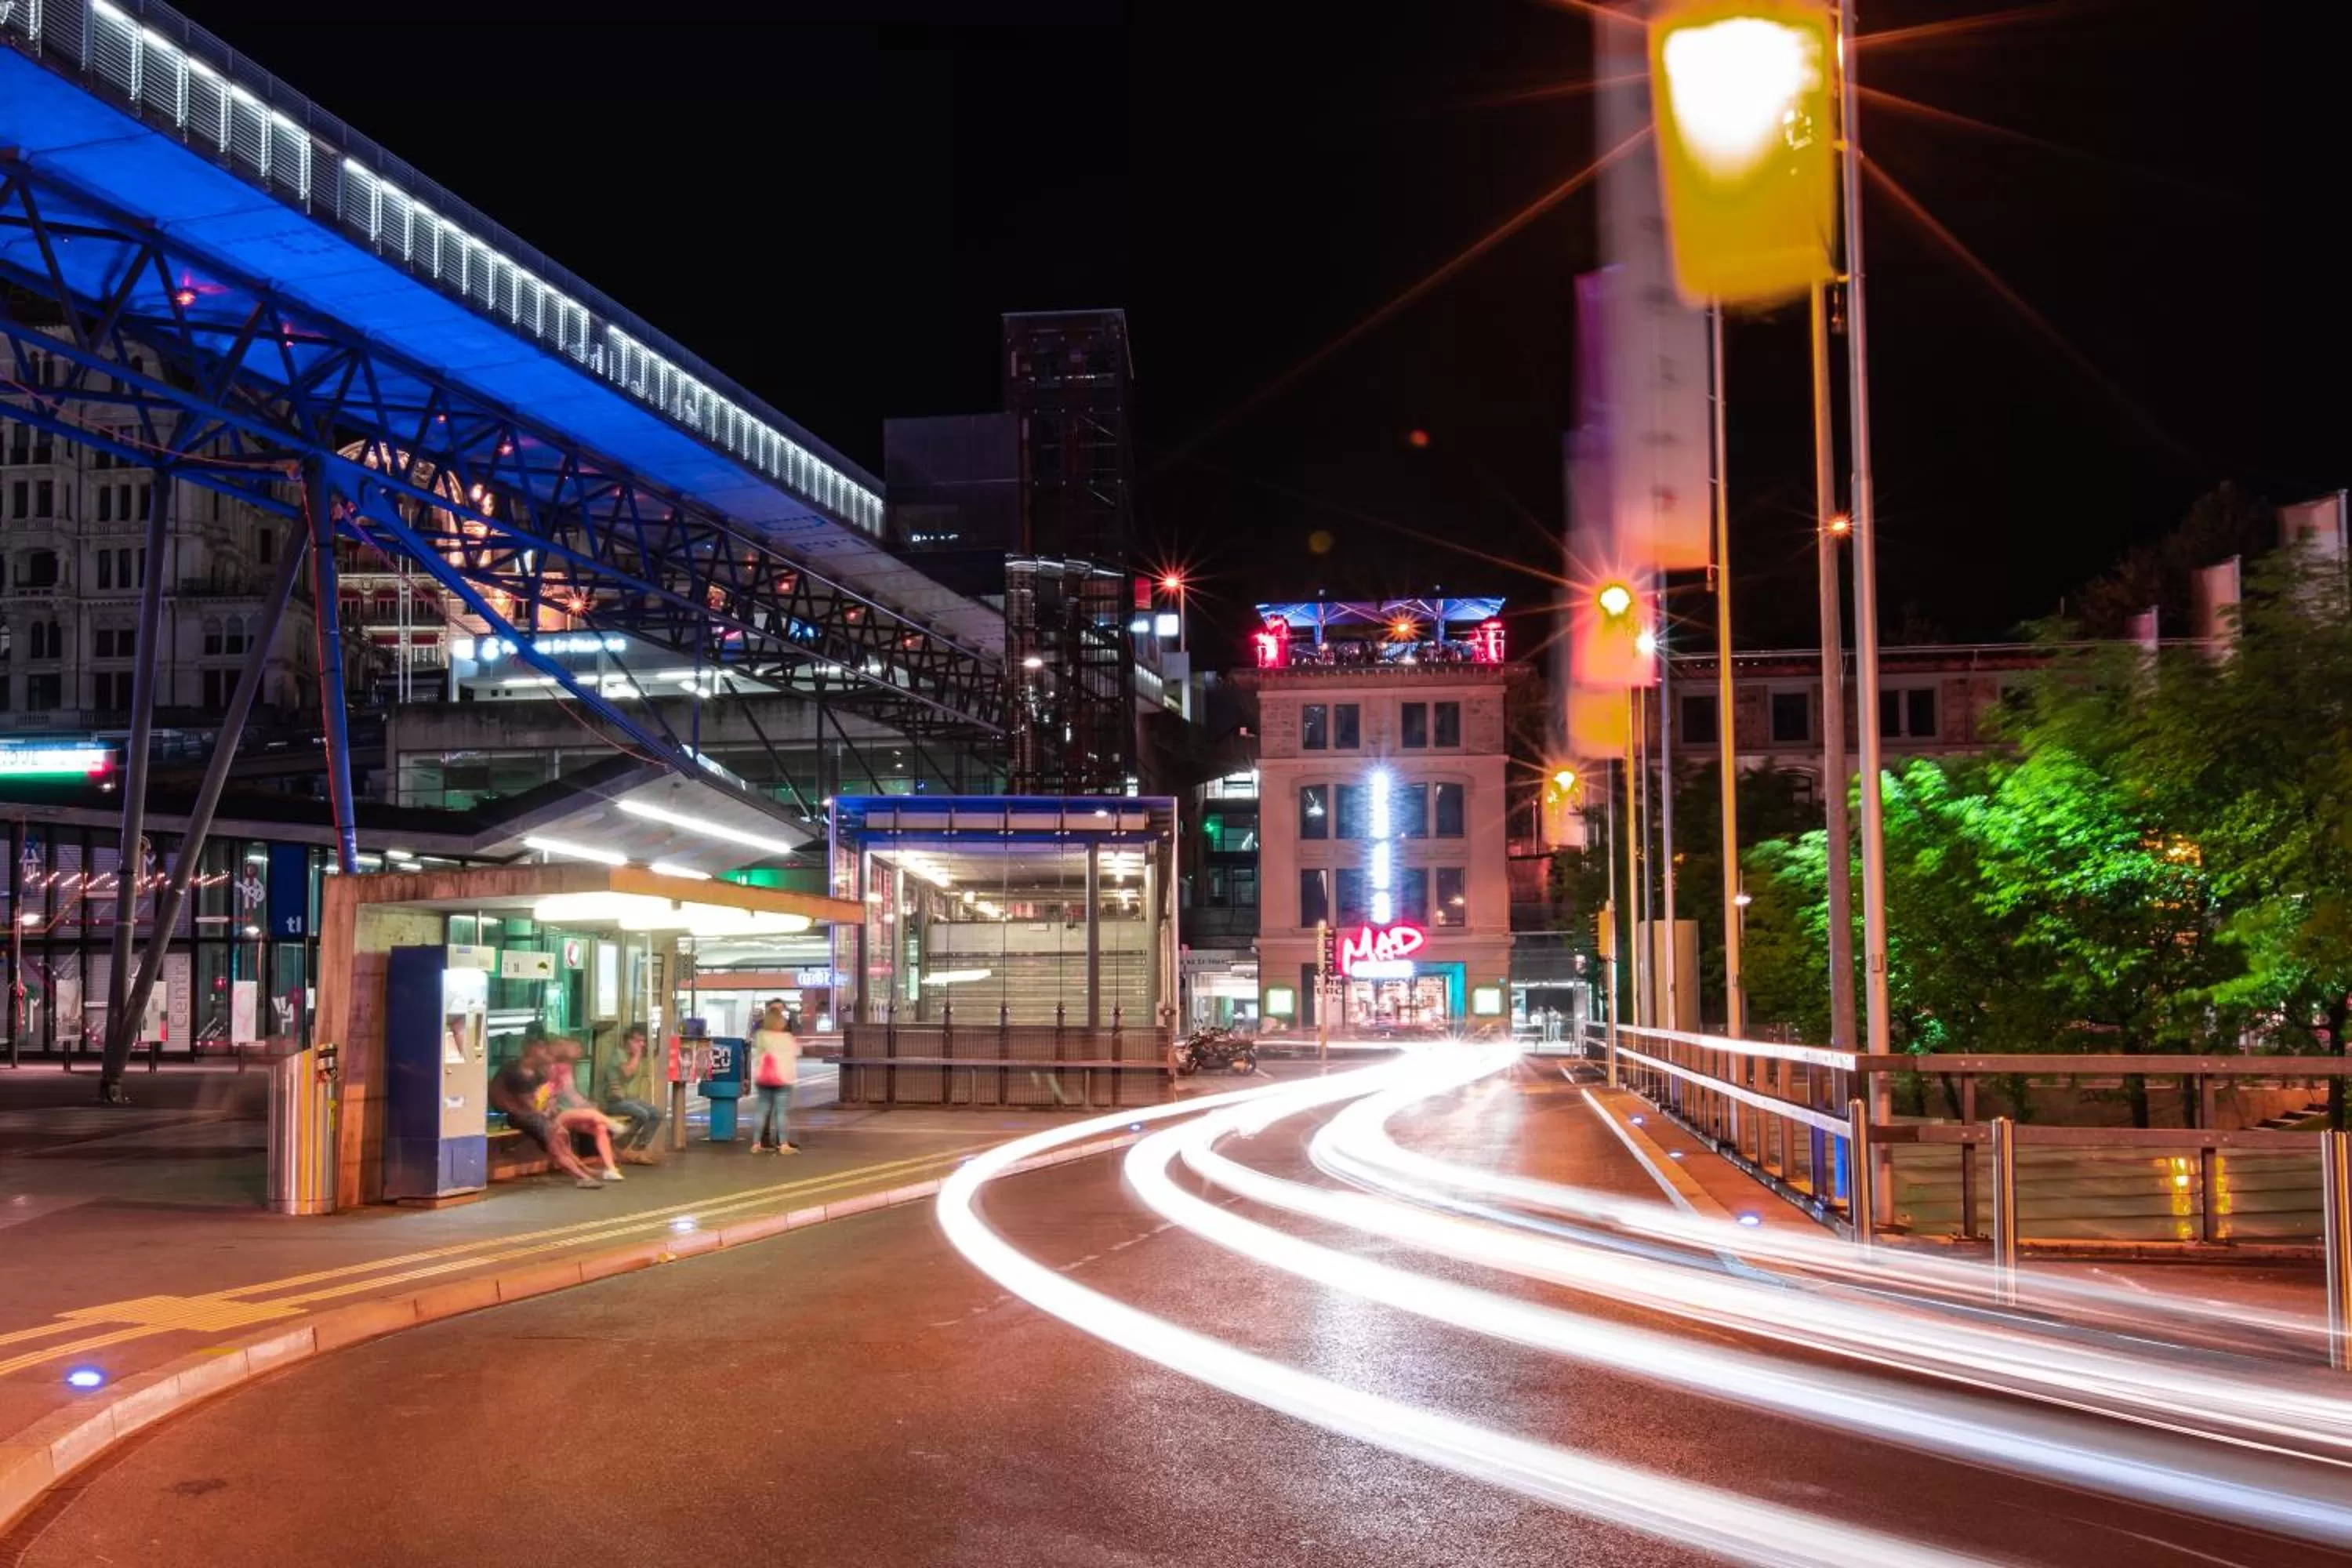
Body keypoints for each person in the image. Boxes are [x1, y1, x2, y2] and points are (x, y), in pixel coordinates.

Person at [488, 1041, 604, 1189]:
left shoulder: (533, 1071)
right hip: (519, 1114)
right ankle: (581, 1177)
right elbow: (529, 1105)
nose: (548, 1055)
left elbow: (546, 1095)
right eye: (544, 1052)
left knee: (562, 1135)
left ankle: (584, 1170)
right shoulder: (520, 1072)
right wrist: (547, 1114)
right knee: (555, 1140)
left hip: (532, 1113)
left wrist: (550, 1107)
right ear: (533, 1052)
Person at [544, 1038, 628, 1181]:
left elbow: (571, 1093)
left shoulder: (566, 1067)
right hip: (551, 1114)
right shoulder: (547, 1068)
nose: (580, 1051)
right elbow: (563, 1095)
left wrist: (586, 1104)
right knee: (592, 1114)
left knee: (599, 1127)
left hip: (567, 1111)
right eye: (575, 1047)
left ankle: (611, 1168)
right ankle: (612, 1124)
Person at [600, 1023, 662, 1165]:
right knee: (642, 1114)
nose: (640, 1045)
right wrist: (638, 1054)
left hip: (628, 1099)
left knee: (656, 1115)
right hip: (613, 1100)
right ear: (627, 1041)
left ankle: (637, 1149)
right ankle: (621, 1146)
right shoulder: (619, 1054)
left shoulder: (634, 1057)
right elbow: (627, 1072)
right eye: (636, 1041)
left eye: (643, 1041)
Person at [748, 1000, 799, 1154]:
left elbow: (756, 1053)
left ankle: (756, 1144)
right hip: (782, 1079)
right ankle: (783, 1144)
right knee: (781, 1112)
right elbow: (795, 1053)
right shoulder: (787, 1038)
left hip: (763, 1078)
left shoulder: (761, 1036)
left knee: (761, 1110)